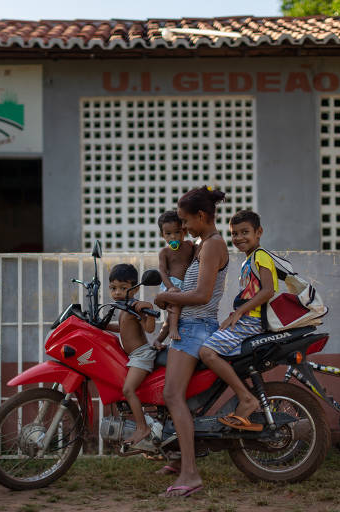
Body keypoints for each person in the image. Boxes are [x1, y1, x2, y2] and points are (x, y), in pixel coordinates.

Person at [153, 186, 228, 498]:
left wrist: (164, 295)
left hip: (195, 327)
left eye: (185, 222)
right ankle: (179, 460)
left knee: (172, 395)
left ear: (201, 216)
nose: (182, 228)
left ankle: (190, 475)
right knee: (179, 397)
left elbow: (202, 295)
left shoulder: (211, 245)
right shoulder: (203, 245)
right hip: (191, 325)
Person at [198, 210, 279, 431]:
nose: (239, 238)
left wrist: (238, 313)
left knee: (206, 352)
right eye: (234, 234)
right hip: (246, 320)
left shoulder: (261, 256)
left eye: (245, 232)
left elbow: (268, 291)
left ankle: (246, 399)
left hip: (251, 322)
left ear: (259, 232)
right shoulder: (248, 261)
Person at [106, 263, 157, 447]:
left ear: (134, 289)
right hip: (134, 356)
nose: (117, 292)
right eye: (113, 288)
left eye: (123, 288)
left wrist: (148, 309)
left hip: (141, 355)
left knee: (128, 390)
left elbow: (149, 328)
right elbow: (122, 328)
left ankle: (142, 427)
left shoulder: (135, 306)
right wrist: (103, 326)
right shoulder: (123, 307)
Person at [155, 210, 194, 343]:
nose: (173, 237)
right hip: (172, 285)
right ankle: (173, 329)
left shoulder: (189, 246)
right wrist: (170, 287)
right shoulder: (164, 252)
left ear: (184, 231)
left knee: (172, 317)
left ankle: (158, 340)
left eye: (177, 232)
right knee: (174, 309)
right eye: (168, 234)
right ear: (162, 235)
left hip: (186, 285)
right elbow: (162, 271)